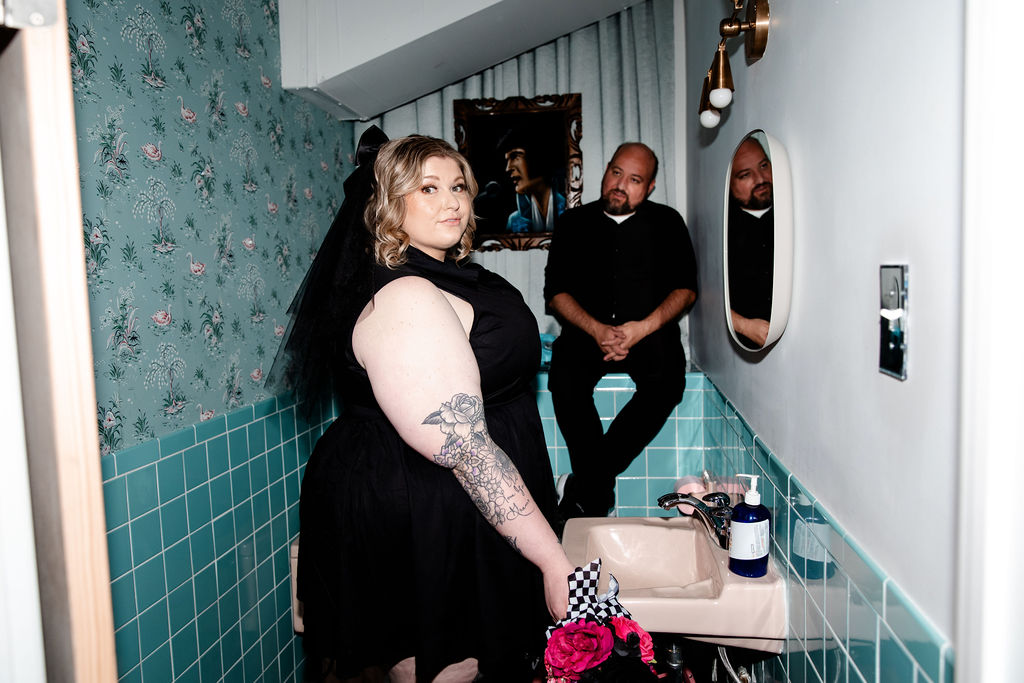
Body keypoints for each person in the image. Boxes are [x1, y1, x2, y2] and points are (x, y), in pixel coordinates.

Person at [272, 128, 574, 682]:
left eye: (458, 186)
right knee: (445, 665)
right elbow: (465, 448)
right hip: (421, 503)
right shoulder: (405, 294)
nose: (451, 201)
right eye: (427, 188)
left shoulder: (453, 273)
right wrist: (553, 559)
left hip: (459, 496)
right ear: (390, 203)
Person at [543, 142, 698, 520]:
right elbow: (556, 293)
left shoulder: (668, 222)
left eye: (634, 180)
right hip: (585, 333)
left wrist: (640, 329)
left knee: (668, 383)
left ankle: (583, 490)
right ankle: (595, 494)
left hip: (648, 333)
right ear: (606, 169)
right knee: (565, 381)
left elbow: (685, 289)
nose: (620, 185)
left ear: (650, 187)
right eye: (616, 173)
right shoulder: (572, 223)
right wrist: (595, 329)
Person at [727, 136, 774, 349]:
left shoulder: (797, 211)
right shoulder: (721, 229)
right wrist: (743, 325)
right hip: (744, 349)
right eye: (745, 175)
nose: (760, 179)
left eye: (764, 166)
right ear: (729, 184)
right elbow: (703, 296)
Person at [498, 128, 566, 233]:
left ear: (539, 156)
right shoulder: (514, 222)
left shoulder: (570, 211)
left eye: (515, 156)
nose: (508, 168)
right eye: (508, 160)